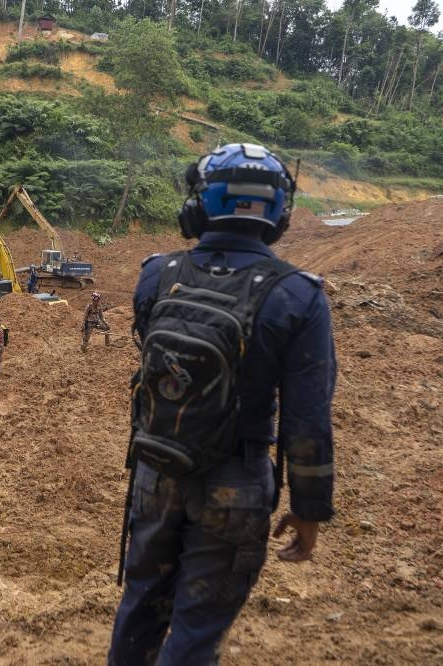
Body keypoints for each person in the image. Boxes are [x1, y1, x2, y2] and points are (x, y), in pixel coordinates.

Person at [108, 144, 336, 665]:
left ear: (200, 205)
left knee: (140, 606)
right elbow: (307, 417)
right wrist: (309, 509)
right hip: (236, 482)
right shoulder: (299, 296)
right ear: (279, 213)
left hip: (155, 471)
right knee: (197, 627)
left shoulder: (156, 274)